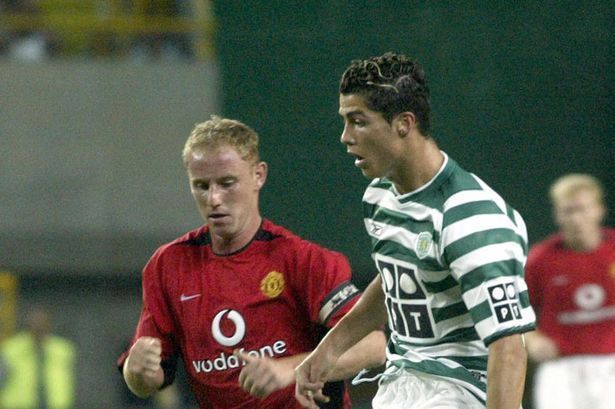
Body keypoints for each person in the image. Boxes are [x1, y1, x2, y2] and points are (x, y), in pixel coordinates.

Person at [295, 52, 537, 409]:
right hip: (403, 382)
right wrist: (326, 352)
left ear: (403, 123)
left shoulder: (472, 219)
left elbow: (509, 347)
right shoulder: (380, 196)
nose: (345, 137)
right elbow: (398, 282)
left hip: (463, 390)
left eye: (357, 121)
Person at [118, 116, 386, 408]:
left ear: (259, 176)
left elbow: (374, 345)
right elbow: (147, 380)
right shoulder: (168, 265)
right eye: (201, 186)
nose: (214, 198)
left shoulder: (302, 261)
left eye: (227, 183)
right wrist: (137, 370)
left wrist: (288, 370)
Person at [524, 174, 614, 409]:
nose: (576, 219)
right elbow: (518, 312)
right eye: (568, 211)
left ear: (599, 210)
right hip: (560, 370)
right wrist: (532, 339)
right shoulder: (540, 259)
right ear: (557, 215)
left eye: (582, 209)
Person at [0, 307, 76, 409]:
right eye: (35, 324)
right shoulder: (11, 350)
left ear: (49, 325)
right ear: (28, 326)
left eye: (42, 324)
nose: (38, 327)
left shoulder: (63, 350)